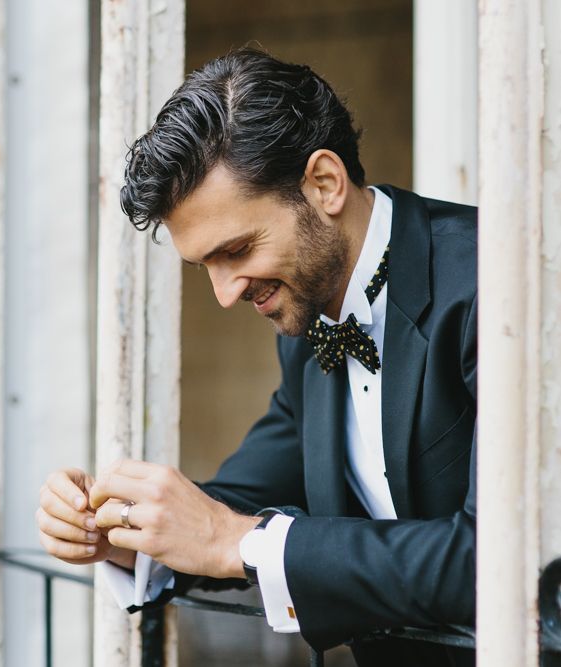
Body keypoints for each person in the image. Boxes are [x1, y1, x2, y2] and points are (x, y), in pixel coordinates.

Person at [36, 48, 477, 666]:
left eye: (237, 249)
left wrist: (233, 540)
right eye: (205, 267)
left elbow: (504, 553)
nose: (224, 293)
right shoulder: (307, 323)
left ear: (324, 184)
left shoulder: (502, 288)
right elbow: (230, 508)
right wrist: (120, 532)